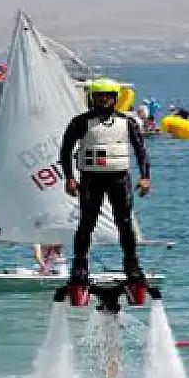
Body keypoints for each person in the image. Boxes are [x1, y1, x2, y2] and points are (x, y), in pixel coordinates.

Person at [60, 78, 151, 286]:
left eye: (108, 96)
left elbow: (141, 152)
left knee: (125, 224)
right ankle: (80, 267)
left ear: (115, 98)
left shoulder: (127, 122)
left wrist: (145, 177)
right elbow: (65, 151)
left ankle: (132, 265)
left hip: (119, 178)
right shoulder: (81, 122)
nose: (104, 100)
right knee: (87, 223)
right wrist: (70, 178)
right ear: (93, 98)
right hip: (91, 178)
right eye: (100, 96)